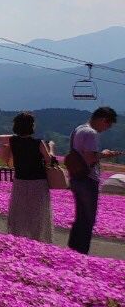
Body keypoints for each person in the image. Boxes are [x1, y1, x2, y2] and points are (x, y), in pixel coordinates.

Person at [67, 106, 120, 254]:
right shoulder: (91, 133)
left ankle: (72, 250)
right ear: (103, 120)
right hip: (88, 179)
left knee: (80, 217)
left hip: (76, 178)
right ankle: (81, 252)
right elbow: (90, 157)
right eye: (108, 125)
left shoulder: (78, 129)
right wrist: (104, 154)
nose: (106, 128)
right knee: (87, 220)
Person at [1, 111, 54, 243]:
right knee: (37, 213)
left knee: (20, 211)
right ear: (32, 126)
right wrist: (51, 148)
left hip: (20, 181)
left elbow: (0, 142)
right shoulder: (39, 143)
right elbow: (49, 161)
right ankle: (36, 239)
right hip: (38, 182)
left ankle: (18, 238)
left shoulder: (12, 141)